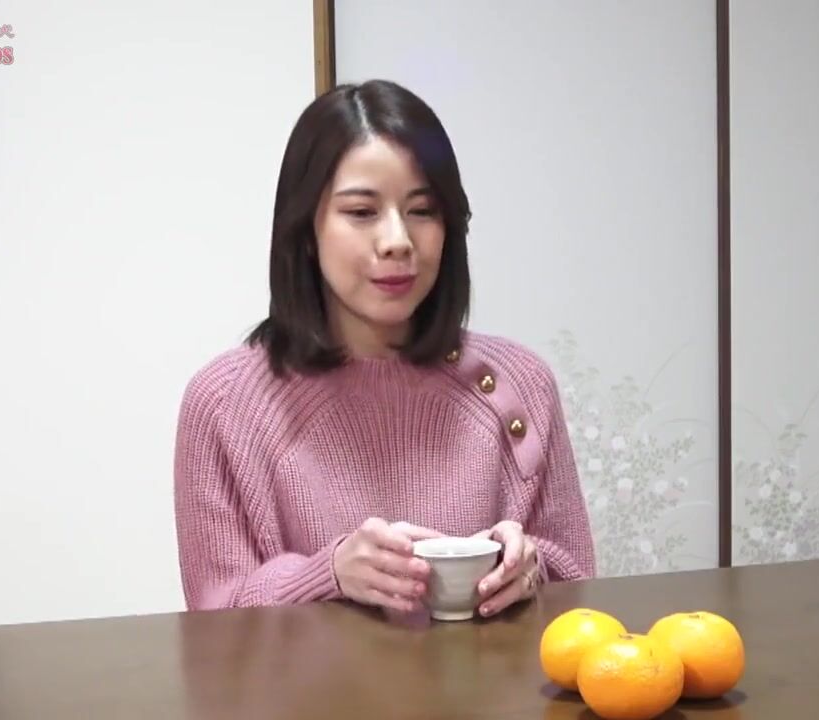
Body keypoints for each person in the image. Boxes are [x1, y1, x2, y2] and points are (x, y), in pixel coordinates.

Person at [172, 79, 596, 618]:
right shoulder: (223, 403)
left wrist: (529, 568)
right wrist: (328, 574)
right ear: (306, 230)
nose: (398, 240)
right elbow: (215, 621)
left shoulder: (520, 383)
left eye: (422, 210)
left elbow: (580, 593)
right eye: (361, 212)